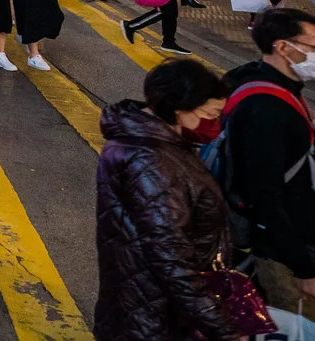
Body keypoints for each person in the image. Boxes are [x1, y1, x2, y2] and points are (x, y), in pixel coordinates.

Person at [224, 8, 315, 332]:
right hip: (292, 258)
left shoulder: (275, 85)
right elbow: (265, 196)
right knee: (307, 335)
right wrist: (304, 271)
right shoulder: (264, 109)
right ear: (283, 47)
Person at [94, 58, 240, 341]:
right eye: (211, 113)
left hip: (151, 304)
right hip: (157, 315)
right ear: (179, 110)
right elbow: (170, 254)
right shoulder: (151, 160)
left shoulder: (161, 143)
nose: (216, 123)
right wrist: (224, 328)